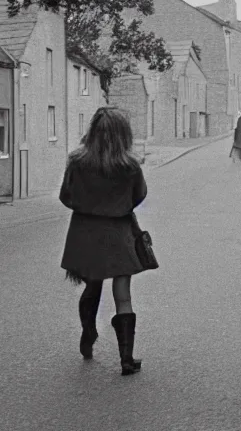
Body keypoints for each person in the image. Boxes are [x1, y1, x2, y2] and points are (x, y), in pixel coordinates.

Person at [59, 107, 149, 376]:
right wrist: (119, 207)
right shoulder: (129, 165)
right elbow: (140, 195)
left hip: (85, 233)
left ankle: (88, 333)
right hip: (119, 232)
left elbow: (66, 196)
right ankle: (126, 358)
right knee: (123, 295)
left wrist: (86, 207)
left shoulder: (77, 161)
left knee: (91, 285)